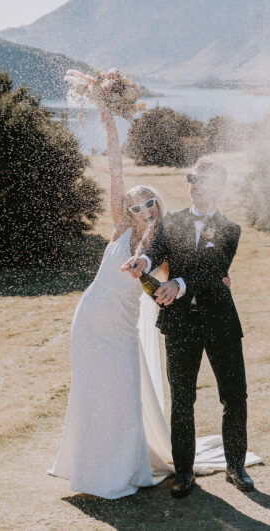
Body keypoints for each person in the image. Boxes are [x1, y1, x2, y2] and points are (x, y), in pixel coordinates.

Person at [48, 106, 174, 498]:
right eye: (134, 205)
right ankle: (86, 470)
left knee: (120, 397)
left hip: (121, 327)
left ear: (157, 203)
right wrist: (110, 129)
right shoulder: (120, 227)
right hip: (89, 318)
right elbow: (115, 173)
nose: (141, 210)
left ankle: (123, 471)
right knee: (91, 393)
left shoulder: (163, 241)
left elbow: (167, 281)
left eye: (147, 202)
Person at [123, 156, 257, 498]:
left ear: (218, 187)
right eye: (192, 179)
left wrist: (178, 285)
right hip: (180, 324)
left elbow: (214, 272)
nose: (196, 186)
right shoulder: (171, 223)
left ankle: (235, 467)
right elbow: (157, 250)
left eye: (203, 180)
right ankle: (184, 472)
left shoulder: (230, 229)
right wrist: (144, 261)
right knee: (182, 399)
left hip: (221, 323)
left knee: (234, 395)